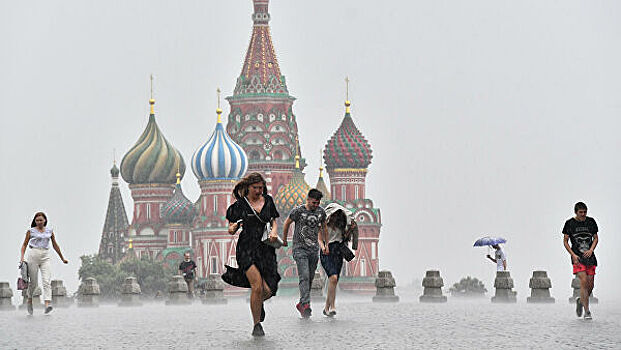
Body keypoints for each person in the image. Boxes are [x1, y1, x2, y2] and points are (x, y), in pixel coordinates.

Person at [223, 172, 281, 337]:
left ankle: (258, 304)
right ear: (248, 187)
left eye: (261, 188)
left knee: (269, 289)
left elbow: (273, 221)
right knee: (256, 286)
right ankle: (257, 325)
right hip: (246, 248)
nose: (259, 191)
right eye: (255, 188)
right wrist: (232, 228)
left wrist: (275, 232)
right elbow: (231, 226)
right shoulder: (240, 205)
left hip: (265, 248)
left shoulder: (268, 201)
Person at [282, 188, 328, 318]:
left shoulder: (321, 212)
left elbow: (324, 227)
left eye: (318, 203)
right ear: (308, 199)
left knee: (310, 278)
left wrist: (326, 245)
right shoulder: (298, 211)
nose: (316, 205)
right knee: (305, 276)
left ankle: (301, 303)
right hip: (299, 249)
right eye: (314, 202)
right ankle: (306, 305)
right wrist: (285, 240)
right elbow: (286, 223)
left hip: (314, 250)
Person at [19, 212, 68, 315]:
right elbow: (24, 245)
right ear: (35, 221)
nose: (39, 222)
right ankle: (29, 299)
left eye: (41, 220)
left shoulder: (50, 231)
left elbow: (55, 245)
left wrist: (62, 258)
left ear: (45, 220)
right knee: (34, 283)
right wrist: (22, 258)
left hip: (45, 256)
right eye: (37, 220)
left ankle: (47, 304)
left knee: (46, 280)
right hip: (33, 255)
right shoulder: (30, 231)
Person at [320, 203, 358, 317]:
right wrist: (323, 247)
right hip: (327, 251)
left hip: (338, 251)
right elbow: (319, 239)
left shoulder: (340, 227)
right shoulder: (322, 225)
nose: (336, 217)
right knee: (333, 277)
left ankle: (326, 308)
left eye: (338, 215)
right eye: (334, 215)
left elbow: (344, 239)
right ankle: (332, 306)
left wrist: (350, 230)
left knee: (334, 281)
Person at [563, 202, 598, 320]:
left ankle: (580, 301)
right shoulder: (570, 223)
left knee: (590, 285)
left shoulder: (591, 222)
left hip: (590, 257)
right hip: (577, 257)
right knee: (583, 281)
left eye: (585, 212)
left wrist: (591, 250)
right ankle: (587, 311)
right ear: (576, 212)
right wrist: (572, 255)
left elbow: (596, 238)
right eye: (580, 212)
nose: (583, 214)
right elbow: (565, 241)